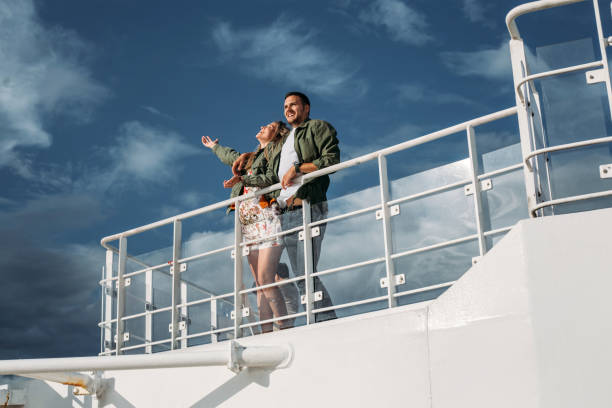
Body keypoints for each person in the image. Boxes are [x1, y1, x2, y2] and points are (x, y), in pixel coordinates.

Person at [232, 92, 340, 322]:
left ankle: (326, 322)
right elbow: (268, 153)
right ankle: (302, 321)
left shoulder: (317, 127)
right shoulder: (288, 139)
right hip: (285, 212)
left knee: (304, 273)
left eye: (294, 105)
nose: (288, 109)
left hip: (306, 206)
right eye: (285, 106)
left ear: (307, 108)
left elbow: (332, 160)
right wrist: (249, 155)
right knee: (280, 275)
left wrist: (298, 168)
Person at [202, 121, 296, 332]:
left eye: (269, 126)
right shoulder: (251, 157)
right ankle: (266, 333)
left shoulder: (276, 154)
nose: (263, 126)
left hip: (266, 218)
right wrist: (215, 148)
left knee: (266, 278)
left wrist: (242, 179)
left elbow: (272, 178)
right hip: (248, 223)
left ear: (277, 134)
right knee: (259, 286)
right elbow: (232, 157)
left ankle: (286, 328)